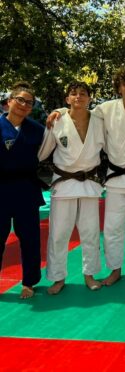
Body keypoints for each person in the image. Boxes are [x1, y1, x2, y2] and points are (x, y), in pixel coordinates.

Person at [48, 67, 125, 287]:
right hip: (115, 179)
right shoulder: (106, 109)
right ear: (119, 88)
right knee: (113, 228)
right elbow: (79, 111)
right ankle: (115, 270)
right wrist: (60, 110)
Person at [39, 81, 105, 294]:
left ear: (89, 98)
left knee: (90, 232)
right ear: (67, 99)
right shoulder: (57, 121)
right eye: (74, 94)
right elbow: (43, 152)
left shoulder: (100, 121)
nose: (78, 97)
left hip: (89, 183)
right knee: (59, 233)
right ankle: (58, 278)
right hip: (64, 183)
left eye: (83, 93)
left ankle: (89, 274)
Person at [0, 81, 45, 299]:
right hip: (0, 190)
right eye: (20, 100)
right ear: (9, 102)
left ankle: (29, 282)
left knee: (29, 239)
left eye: (29, 103)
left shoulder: (37, 130)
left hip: (26, 189)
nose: (24, 105)